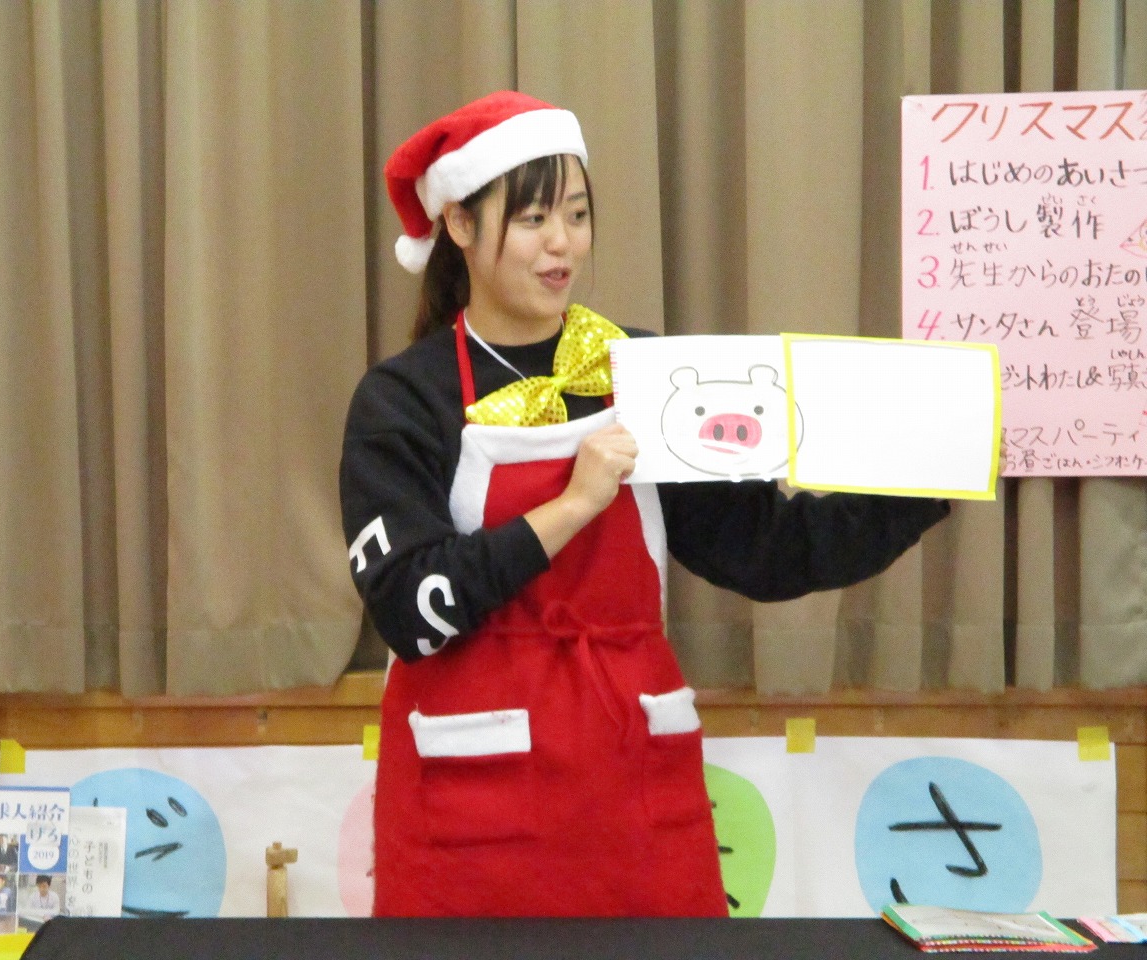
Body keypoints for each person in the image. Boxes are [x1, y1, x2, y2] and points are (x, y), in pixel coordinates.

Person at [339, 91, 951, 918]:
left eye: (577, 214)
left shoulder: (644, 373)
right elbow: (410, 611)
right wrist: (571, 507)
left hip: (638, 801)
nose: (563, 243)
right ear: (458, 224)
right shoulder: (402, 401)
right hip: (469, 815)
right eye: (533, 219)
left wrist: (931, 475)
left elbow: (768, 551)